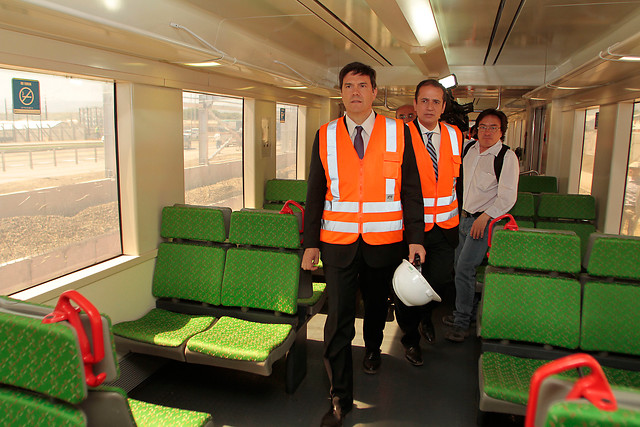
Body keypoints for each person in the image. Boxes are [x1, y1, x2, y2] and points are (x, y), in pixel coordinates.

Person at [301, 62, 426, 427]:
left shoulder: (398, 133)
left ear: (375, 92)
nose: (355, 91)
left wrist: (416, 238)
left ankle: (373, 349)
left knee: (375, 307)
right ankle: (340, 396)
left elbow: (411, 189)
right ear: (341, 93)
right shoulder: (324, 135)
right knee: (338, 319)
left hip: (384, 241)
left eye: (363, 85)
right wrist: (311, 243)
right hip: (337, 243)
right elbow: (315, 193)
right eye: (348, 86)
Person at [394, 79, 463, 366]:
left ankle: (424, 319)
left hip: (446, 228)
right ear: (416, 103)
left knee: (438, 282)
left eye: (436, 101)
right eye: (424, 100)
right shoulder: (399, 134)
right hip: (411, 230)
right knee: (408, 288)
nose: (430, 107)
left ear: (444, 106)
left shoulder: (455, 134)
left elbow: (456, 182)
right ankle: (410, 339)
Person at [443, 108, 519, 342]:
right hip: (461, 218)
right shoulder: (468, 149)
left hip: (483, 222)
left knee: (465, 269)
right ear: (476, 129)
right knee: (459, 268)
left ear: (501, 132)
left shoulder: (506, 157)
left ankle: (461, 321)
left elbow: (507, 198)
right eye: (483, 127)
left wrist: (484, 218)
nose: (487, 131)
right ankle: (470, 310)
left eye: (493, 127)